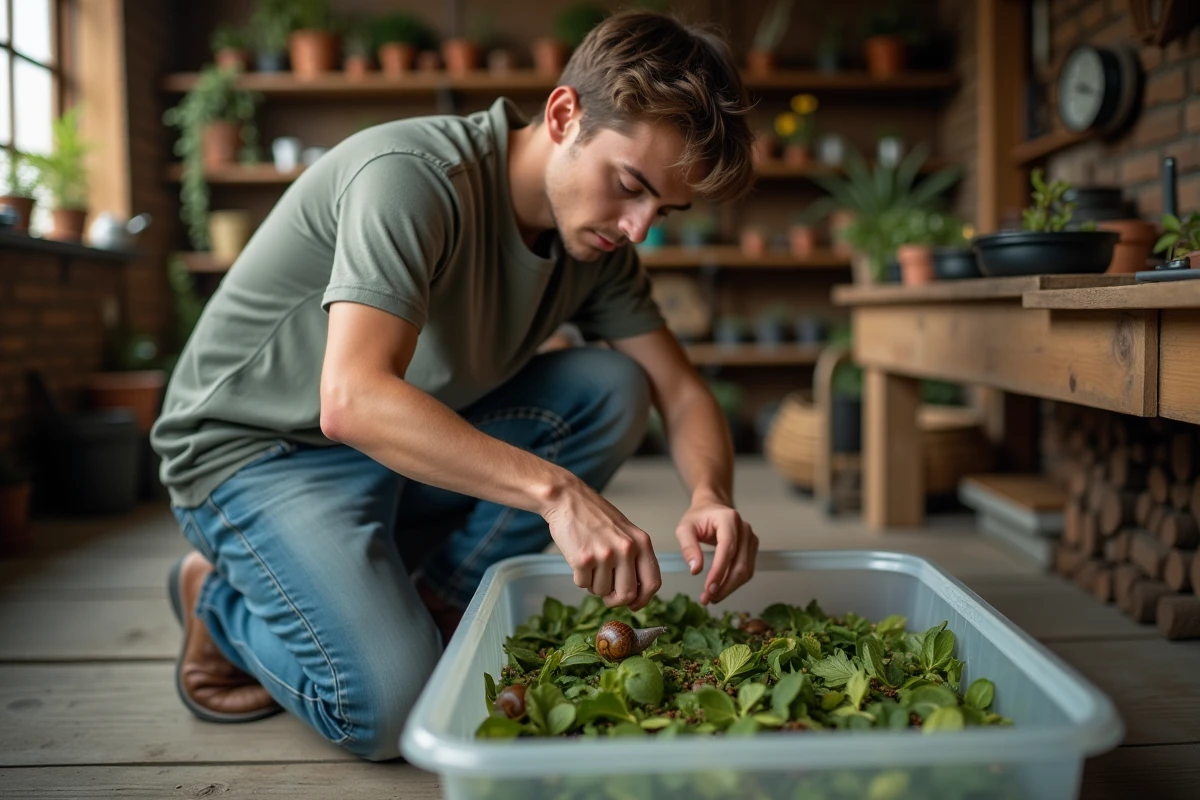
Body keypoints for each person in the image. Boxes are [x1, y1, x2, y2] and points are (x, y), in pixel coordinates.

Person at [151, 10, 759, 761]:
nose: (638, 228)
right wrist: (557, 492)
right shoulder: (412, 177)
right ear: (565, 114)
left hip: (391, 446)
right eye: (630, 186)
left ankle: (434, 601)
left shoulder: (598, 247)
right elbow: (353, 400)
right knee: (393, 708)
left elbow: (682, 391)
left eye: (663, 210)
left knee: (613, 385)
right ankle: (217, 601)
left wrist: (711, 496)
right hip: (254, 453)